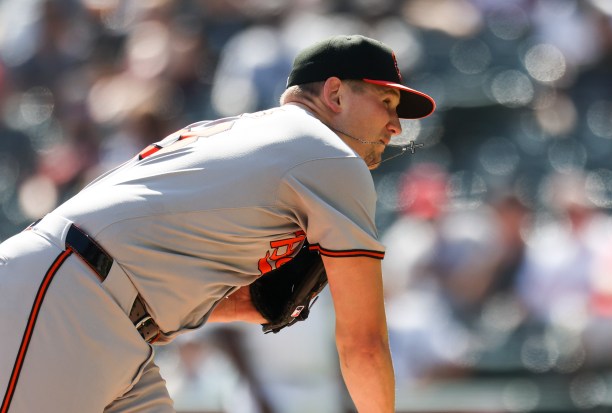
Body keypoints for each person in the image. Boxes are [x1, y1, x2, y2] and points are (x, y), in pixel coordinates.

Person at [0, 34, 435, 413]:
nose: (396, 126)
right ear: (336, 94)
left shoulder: (249, 137)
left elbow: (171, 266)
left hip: (97, 308)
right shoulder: (329, 156)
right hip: (64, 299)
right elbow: (363, 345)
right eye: (386, 102)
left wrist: (242, 303)